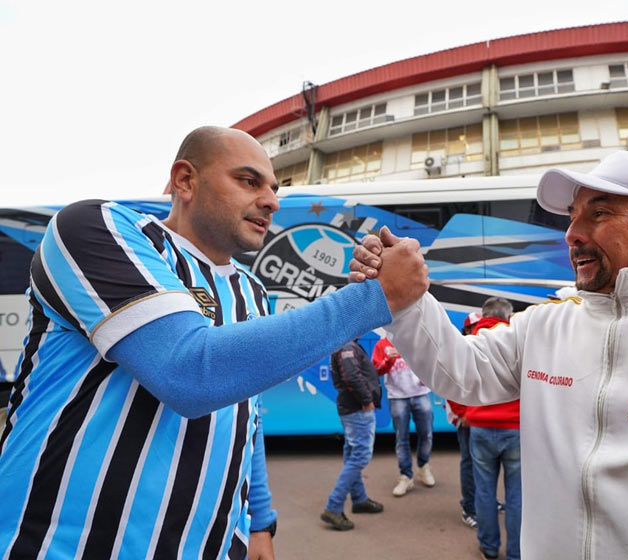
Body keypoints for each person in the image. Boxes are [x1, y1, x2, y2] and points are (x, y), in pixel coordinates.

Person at [0, 126, 428, 560]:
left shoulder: (252, 290)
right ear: (185, 180)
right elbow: (187, 372)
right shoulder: (94, 228)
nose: (271, 201)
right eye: (249, 181)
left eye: (274, 189)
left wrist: (259, 521)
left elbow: (246, 418)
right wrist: (375, 297)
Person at [351, 150, 628, 559]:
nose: (572, 233)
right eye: (572, 216)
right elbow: (461, 373)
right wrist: (406, 300)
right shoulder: (543, 325)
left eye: (599, 213)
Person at [464, 297, 520, 560]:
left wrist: (463, 412)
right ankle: (516, 552)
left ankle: (488, 547)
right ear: (507, 315)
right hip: (515, 426)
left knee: (484, 490)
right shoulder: (517, 339)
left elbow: (456, 380)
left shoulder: (471, 340)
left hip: (480, 426)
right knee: (516, 494)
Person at [321, 340, 384, 531]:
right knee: (360, 456)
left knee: (352, 454)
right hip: (357, 409)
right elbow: (352, 376)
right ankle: (333, 507)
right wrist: (366, 400)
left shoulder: (345, 344)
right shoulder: (347, 346)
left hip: (351, 408)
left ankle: (359, 499)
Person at [371, 337, 435, 497]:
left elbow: (431, 361)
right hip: (397, 396)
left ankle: (423, 466)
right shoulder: (382, 344)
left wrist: (427, 377)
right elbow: (376, 370)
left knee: (426, 434)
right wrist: (388, 360)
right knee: (402, 438)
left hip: (421, 393)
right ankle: (406, 476)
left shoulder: (416, 339)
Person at [446, 310, 482, 528]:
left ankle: (484, 502)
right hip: (467, 419)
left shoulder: (485, 348)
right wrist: (462, 413)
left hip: (483, 419)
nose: (480, 330)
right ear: (467, 330)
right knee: (470, 463)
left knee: (485, 465)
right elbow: (450, 386)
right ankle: (469, 508)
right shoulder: (459, 351)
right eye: (475, 327)